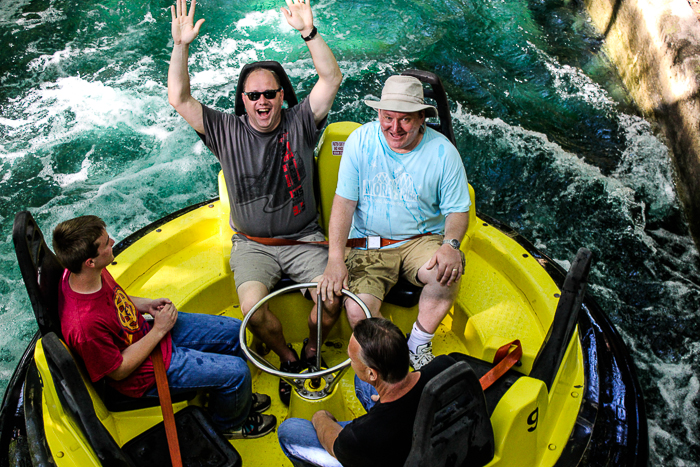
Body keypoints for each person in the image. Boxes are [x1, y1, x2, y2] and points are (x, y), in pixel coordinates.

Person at [167, 0, 343, 404]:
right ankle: (286, 361)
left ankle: (312, 354)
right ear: (242, 99)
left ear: (282, 96)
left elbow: (330, 78)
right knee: (252, 310)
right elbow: (179, 97)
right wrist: (181, 46)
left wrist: (309, 32)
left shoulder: (301, 120)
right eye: (253, 95)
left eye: (270, 93)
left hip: (304, 239)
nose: (262, 101)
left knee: (331, 300)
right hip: (251, 245)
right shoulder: (224, 129)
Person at [53, 215, 276, 439]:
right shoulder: (84, 327)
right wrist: (159, 330)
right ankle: (230, 424)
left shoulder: (80, 274)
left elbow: (113, 298)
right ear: (89, 262)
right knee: (237, 373)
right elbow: (119, 371)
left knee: (234, 331)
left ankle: (236, 400)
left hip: (146, 334)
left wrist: (146, 305)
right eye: (105, 243)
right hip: (143, 373)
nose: (112, 241)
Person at [317, 75, 471, 370]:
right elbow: (344, 202)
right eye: (388, 118)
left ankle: (418, 343)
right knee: (357, 311)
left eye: (405, 120)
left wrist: (451, 244)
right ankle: (385, 360)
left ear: (422, 118)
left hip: (421, 239)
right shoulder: (360, 141)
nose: (395, 128)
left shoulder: (444, 152)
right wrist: (335, 258)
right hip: (368, 242)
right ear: (378, 114)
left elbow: (457, 211)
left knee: (448, 271)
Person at [277, 318, 455, 466]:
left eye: (351, 358)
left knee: (289, 430)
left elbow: (334, 443)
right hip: (436, 443)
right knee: (362, 385)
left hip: (389, 453)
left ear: (372, 373)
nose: (350, 361)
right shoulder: (446, 365)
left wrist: (320, 417)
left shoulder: (361, 436)